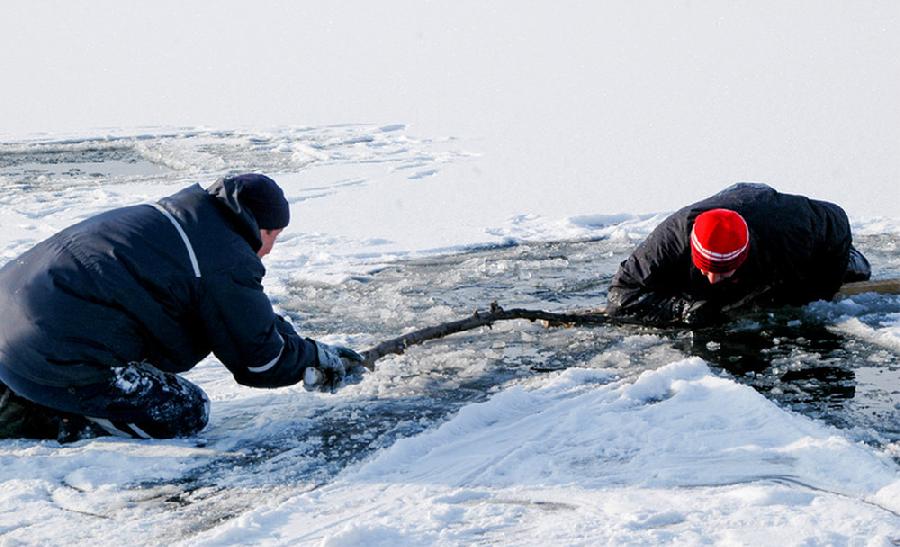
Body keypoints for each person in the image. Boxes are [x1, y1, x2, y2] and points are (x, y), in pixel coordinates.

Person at [0, 173, 363, 442]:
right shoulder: (223, 257)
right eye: (274, 237)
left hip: (11, 327)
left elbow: (240, 316)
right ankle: (44, 418)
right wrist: (311, 356)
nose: (268, 250)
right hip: (51, 353)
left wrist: (301, 346)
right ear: (260, 226)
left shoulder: (176, 219)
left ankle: (17, 391)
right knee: (184, 411)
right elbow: (259, 360)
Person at [605, 183, 871, 325]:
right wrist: (681, 308)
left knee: (819, 287)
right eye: (705, 268)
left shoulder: (790, 234)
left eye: (723, 270)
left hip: (776, 223)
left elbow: (838, 220)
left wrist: (816, 294)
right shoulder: (671, 237)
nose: (712, 278)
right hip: (737, 198)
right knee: (687, 285)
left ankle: (851, 260)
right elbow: (621, 295)